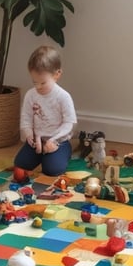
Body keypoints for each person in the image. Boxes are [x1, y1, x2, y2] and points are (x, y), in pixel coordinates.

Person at [13, 45, 77, 177]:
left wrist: (54, 140)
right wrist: (29, 135)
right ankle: (42, 157)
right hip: (37, 141)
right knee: (20, 163)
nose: (38, 87)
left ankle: (63, 153)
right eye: (34, 82)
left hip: (58, 141)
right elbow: (26, 118)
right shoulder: (31, 95)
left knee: (52, 171)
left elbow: (69, 124)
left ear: (57, 74)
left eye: (42, 83)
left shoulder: (63, 97)